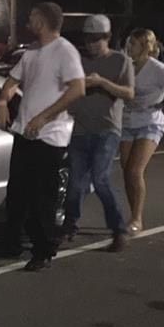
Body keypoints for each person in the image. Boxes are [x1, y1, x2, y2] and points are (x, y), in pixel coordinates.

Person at [0, 2, 85, 271]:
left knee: (42, 198)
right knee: (16, 192)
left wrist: (44, 117)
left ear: (42, 20)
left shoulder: (65, 51)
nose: (28, 21)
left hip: (48, 136)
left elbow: (78, 89)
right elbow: (12, 81)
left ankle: (43, 250)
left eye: (31, 17)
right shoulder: (32, 52)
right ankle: (10, 243)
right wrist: (3, 101)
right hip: (24, 132)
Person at [57, 14, 133, 249]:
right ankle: (70, 224)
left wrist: (102, 83)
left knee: (100, 179)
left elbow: (129, 93)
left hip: (107, 129)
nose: (91, 44)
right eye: (88, 39)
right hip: (79, 129)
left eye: (97, 39)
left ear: (108, 37)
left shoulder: (121, 61)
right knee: (75, 183)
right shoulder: (79, 60)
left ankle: (118, 229)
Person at [121, 28, 164, 232]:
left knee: (135, 170)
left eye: (133, 44)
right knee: (126, 172)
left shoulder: (156, 68)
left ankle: (137, 219)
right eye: (128, 43)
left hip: (149, 123)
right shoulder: (127, 66)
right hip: (127, 122)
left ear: (144, 47)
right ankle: (132, 213)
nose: (128, 47)